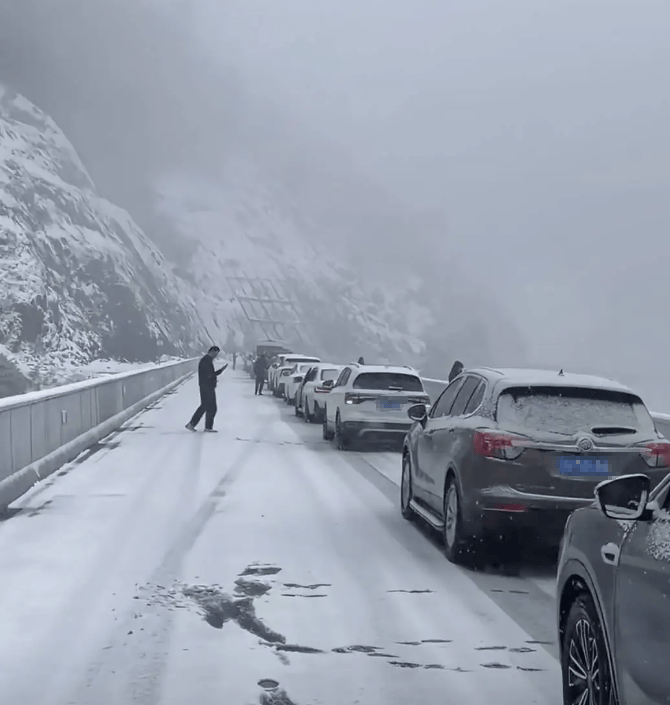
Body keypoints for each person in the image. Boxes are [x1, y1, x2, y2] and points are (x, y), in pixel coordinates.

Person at [185, 346, 228, 432]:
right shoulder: (205, 361)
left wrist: (219, 372)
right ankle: (196, 425)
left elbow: (210, 374)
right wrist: (219, 372)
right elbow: (209, 375)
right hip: (206, 387)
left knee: (207, 407)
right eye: (215, 354)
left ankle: (200, 425)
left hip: (207, 387)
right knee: (208, 407)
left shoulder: (207, 360)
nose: (216, 356)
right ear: (211, 352)